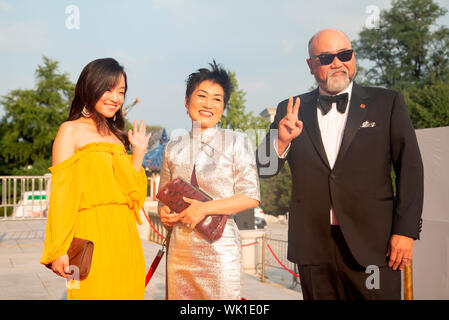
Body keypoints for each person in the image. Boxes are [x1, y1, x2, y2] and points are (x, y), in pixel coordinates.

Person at [256, 29, 424, 300]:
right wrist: (281, 142)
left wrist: (405, 231)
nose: (337, 63)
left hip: (374, 245)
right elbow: (264, 168)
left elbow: (411, 168)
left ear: (353, 57)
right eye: (326, 58)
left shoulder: (387, 102)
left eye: (344, 55)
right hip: (314, 246)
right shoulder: (291, 109)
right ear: (311, 65)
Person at [40, 58, 151, 299]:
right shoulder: (69, 130)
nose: (116, 98)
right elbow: (62, 194)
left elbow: (132, 196)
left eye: (121, 92)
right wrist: (59, 248)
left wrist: (138, 153)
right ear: (90, 87)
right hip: (91, 235)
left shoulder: (115, 136)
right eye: (108, 89)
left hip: (126, 238)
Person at [158, 61, 260, 300]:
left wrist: (204, 208)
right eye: (201, 95)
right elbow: (164, 194)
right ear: (186, 101)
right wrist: (164, 213)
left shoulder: (237, 141)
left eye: (217, 99)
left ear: (223, 107)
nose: (208, 104)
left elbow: (250, 196)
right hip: (180, 251)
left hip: (220, 249)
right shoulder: (172, 147)